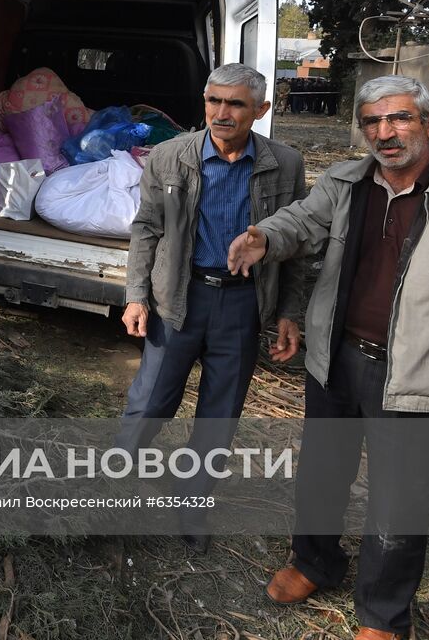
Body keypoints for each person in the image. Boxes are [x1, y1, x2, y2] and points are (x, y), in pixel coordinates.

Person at [227, 74, 429, 640]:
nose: (385, 133)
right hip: (336, 360)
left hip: (421, 374)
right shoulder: (346, 181)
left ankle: (384, 616)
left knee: (399, 503)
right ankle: (314, 561)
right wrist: (264, 237)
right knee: (321, 475)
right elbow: (302, 222)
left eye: (399, 119)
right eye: (372, 121)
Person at [119, 63, 307, 549]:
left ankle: (191, 508)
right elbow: (147, 229)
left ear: (261, 110)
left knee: (219, 417)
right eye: (213, 101)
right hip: (178, 300)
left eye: (236, 104)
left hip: (242, 305)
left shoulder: (285, 164)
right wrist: (136, 296)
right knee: (150, 404)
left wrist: (289, 312)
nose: (221, 113)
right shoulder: (169, 157)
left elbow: (297, 246)